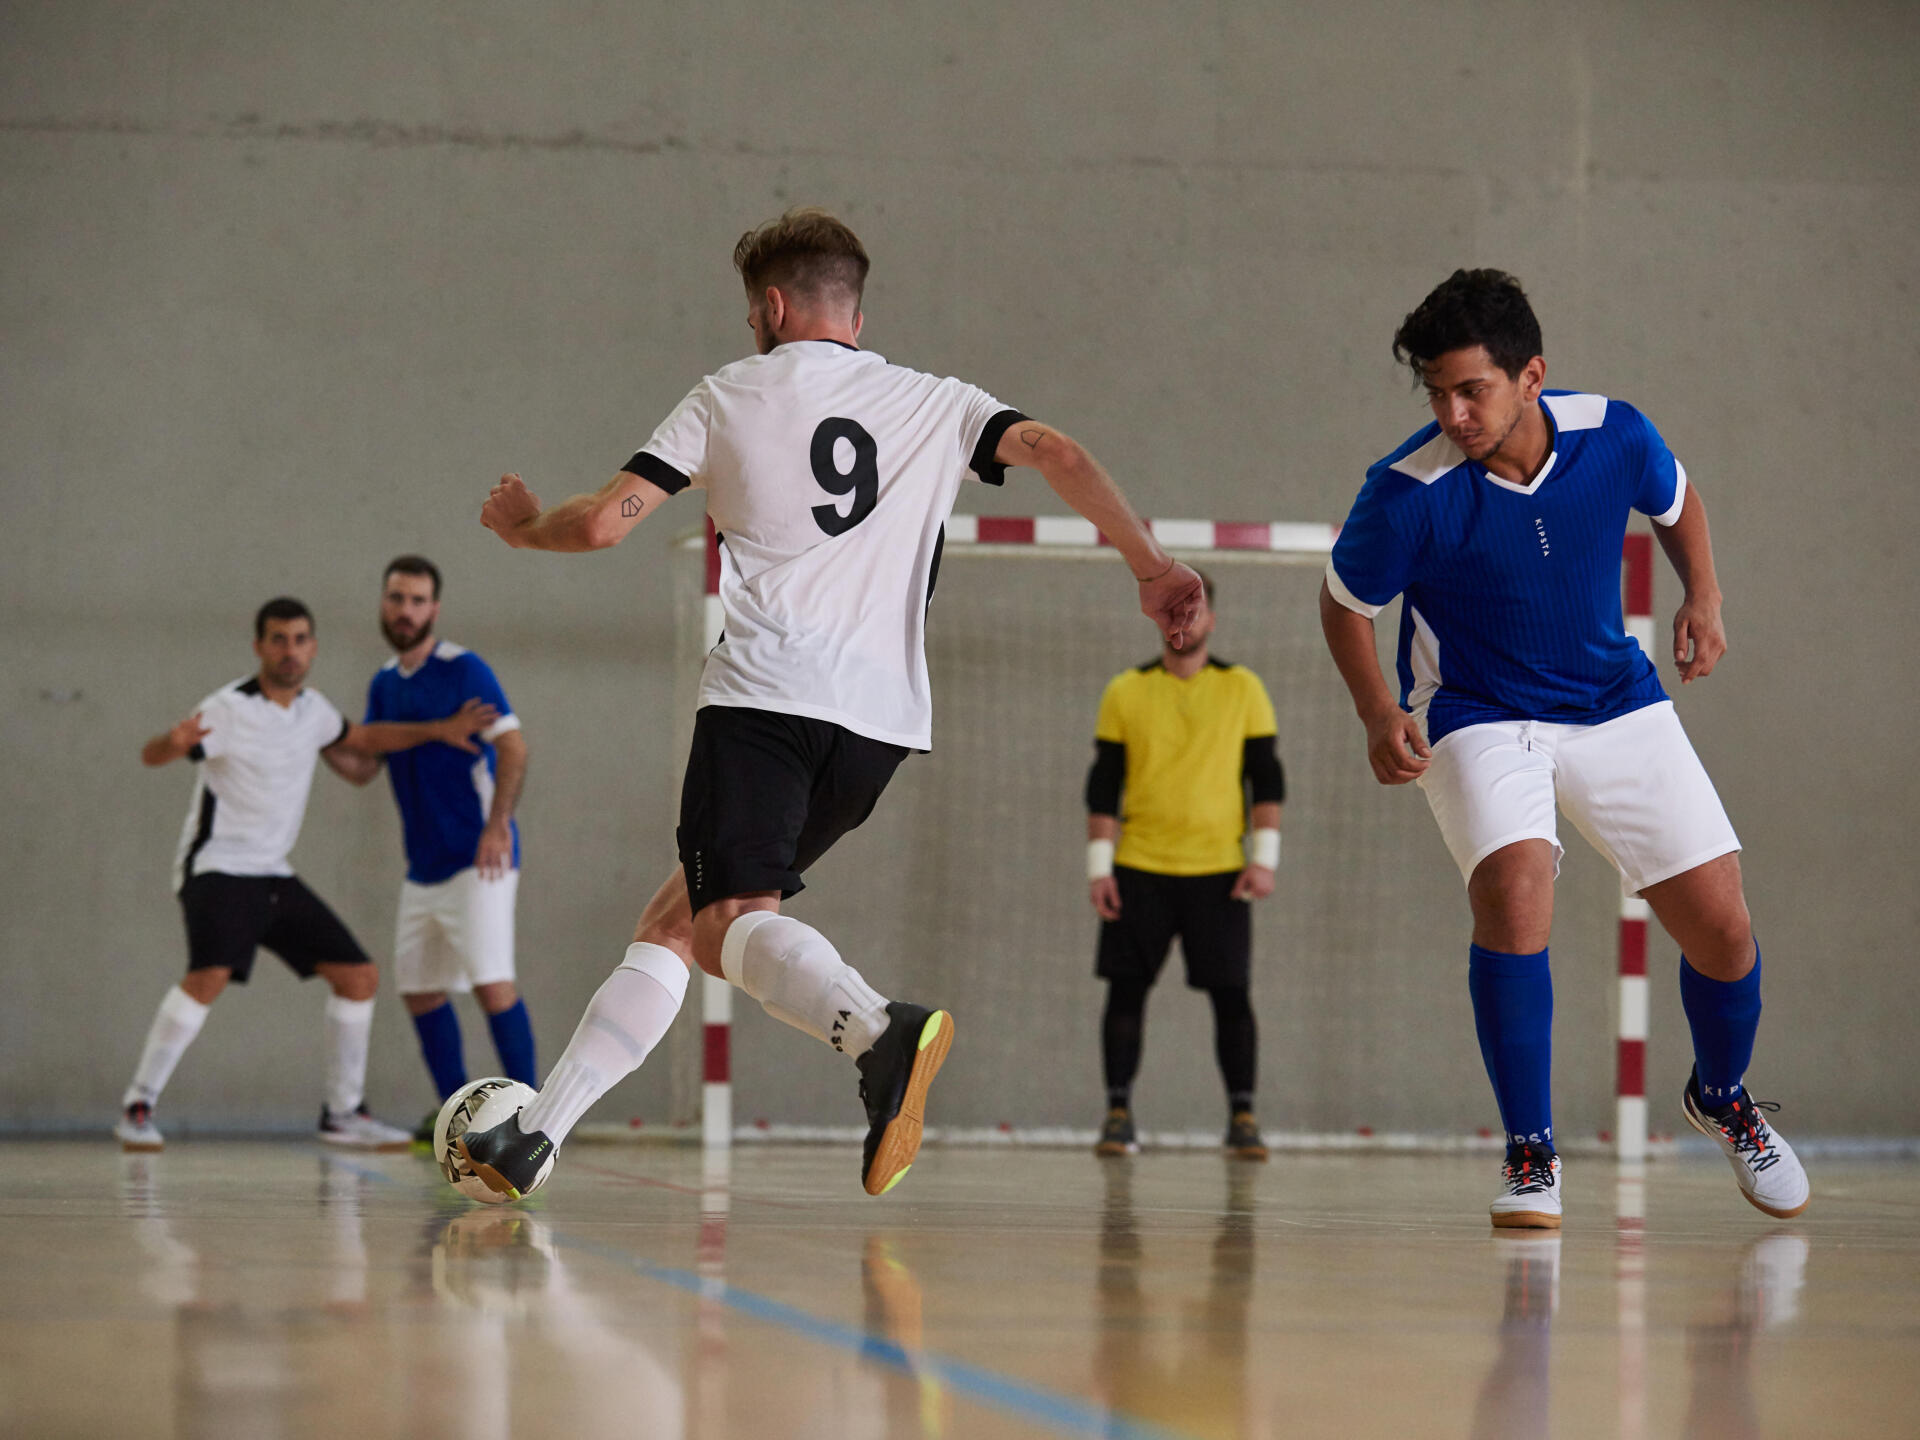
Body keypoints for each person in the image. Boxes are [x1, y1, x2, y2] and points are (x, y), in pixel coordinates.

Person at [456, 206, 1203, 1201]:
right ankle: (535, 1139)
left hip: (766, 701)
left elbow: (598, 525)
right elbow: (1059, 451)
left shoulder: (728, 394)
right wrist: (1149, 569)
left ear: (768, 306)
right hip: (881, 732)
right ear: (852, 308)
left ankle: (874, 1029)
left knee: (724, 927)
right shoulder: (940, 402)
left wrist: (519, 530)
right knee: (679, 919)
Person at [1318, 269, 1808, 1228]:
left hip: (1613, 698)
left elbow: (1676, 502)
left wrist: (1702, 595)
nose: (1453, 413)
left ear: (1530, 375)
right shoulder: (1406, 493)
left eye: (1474, 390)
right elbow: (1344, 605)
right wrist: (1380, 712)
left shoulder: (1614, 432)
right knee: (1515, 889)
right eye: (1437, 394)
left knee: (1723, 927)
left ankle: (1724, 1098)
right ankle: (1531, 1153)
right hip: (1478, 710)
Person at [115, 597, 499, 1151]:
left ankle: (342, 1114)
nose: (289, 650)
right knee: (210, 974)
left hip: (272, 874)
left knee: (358, 976)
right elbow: (154, 754)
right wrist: (171, 744)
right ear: (259, 647)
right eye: (278, 639)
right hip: (218, 868)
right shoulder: (228, 707)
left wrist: (441, 729)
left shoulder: (313, 710)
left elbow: (364, 740)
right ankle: (137, 1105)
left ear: (312, 648)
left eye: (299, 639)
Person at [327, 556, 535, 1139]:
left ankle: (537, 1120)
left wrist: (498, 827)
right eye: (397, 598)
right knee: (418, 991)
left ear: (434, 609)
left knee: (493, 984)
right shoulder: (384, 683)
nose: (405, 610)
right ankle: (459, 1121)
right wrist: (317, 735)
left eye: (417, 600)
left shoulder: (465, 670)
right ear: (383, 604)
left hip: (479, 858)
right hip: (423, 866)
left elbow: (514, 748)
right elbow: (363, 764)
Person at [1083, 570, 1286, 1161]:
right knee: (1125, 993)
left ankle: (1242, 1117)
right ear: (1159, 619)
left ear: (1211, 620)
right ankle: (1118, 1113)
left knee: (1232, 997)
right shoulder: (1125, 690)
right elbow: (1104, 788)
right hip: (1138, 869)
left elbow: (1266, 780)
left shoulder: (1244, 688)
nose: (1185, 621)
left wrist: (1264, 860)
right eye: (1175, 612)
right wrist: (1101, 868)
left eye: (1194, 611)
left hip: (1220, 872)